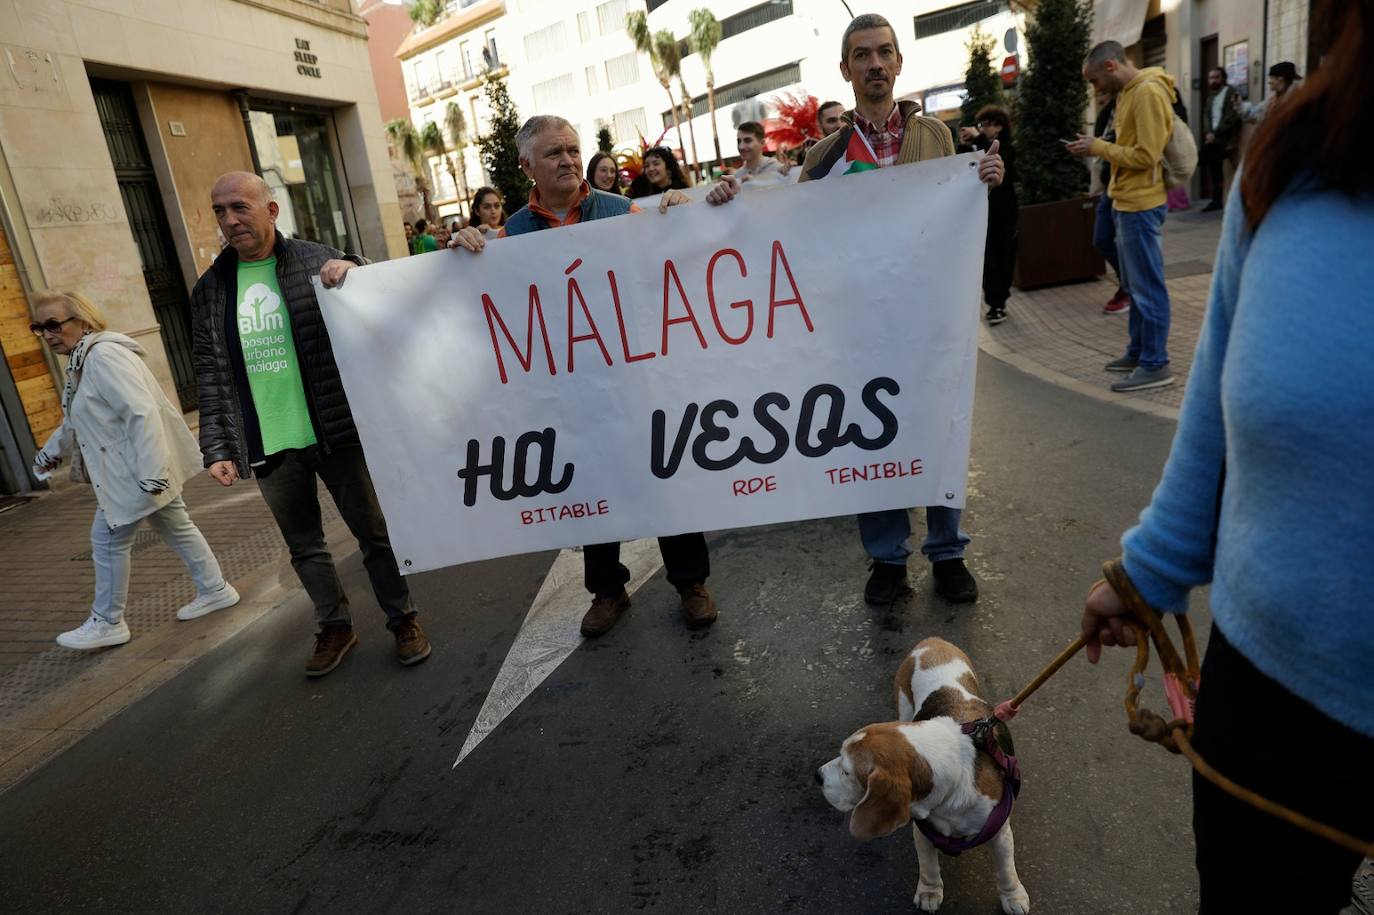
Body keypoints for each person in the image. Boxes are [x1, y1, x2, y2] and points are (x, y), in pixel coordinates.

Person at [1080, 2, 1373, 909]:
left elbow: (1147, 159)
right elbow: (1216, 406)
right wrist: (1147, 570)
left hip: (1134, 204)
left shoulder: (1145, 100)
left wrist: (1097, 156)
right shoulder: (1296, 161)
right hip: (1270, 694)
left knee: (1149, 302)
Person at [708, 13, 1005, 608]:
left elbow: (954, 219)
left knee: (940, 427)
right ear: (845, 71)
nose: (875, 64)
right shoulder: (823, 157)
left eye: (884, 53)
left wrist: (985, 184)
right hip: (859, 326)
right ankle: (887, 559)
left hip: (929, 320)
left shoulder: (937, 140)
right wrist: (724, 205)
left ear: (899, 63)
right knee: (871, 436)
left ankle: (948, 552)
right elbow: (790, 232)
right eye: (862, 55)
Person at [450, 117, 716, 638]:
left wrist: (680, 219)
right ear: (527, 166)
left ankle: (691, 582)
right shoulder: (508, 236)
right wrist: (460, 251)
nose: (569, 160)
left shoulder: (625, 211)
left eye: (573, 150)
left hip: (636, 380)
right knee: (592, 485)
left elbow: (672, 264)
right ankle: (607, 589)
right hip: (569, 392)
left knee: (664, 475)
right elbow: (481, 301)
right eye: (554, 153)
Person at [192, 171, 431, 677]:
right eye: (219, 210)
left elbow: (377, 293)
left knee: (374, 534)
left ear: (271, 210)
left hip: (334, 428)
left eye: (240, 207)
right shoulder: (211, 290)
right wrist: (217, 446)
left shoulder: (314, 260)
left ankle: (403, 619)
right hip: (268, 439)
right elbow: (210, 372)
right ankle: (335, 626)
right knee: (305, 547)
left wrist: (355, 266)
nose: (229, 219)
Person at [30, 291, 240, 650]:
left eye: (54, 324)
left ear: (82, 321)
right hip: (133, 470)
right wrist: (48, 454)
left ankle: (107, 621)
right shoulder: (81, 362)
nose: (47, 334)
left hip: (133, 473)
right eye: (39, 327)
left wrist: (153, 473)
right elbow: (74, 422)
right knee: (178, 528)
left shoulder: (103, 357)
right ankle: (215, 589)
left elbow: (141, 414)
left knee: (107, 542)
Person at [1068, 42, 1176, 393]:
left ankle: (1156, 364)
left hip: (1141, 205)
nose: (1096, 89)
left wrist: (1098, 147)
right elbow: (1129, 144)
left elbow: (1147, 155)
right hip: (1127, 202)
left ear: (1111, 66)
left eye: (1096, 81)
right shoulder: (1130, 92)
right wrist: (1099, 143)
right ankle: (1139, 352)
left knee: (1148, 288)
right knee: (1136, 287)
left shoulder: (1146, 92)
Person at [959, 105, 1018, 325]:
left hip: (1003, 213)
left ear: (999, 127)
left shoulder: (1008, 148)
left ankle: (998, 303)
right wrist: (966, 145)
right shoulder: (977, 146)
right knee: (987, 259)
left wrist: (979, 140)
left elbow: (1002, 165)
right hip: (980, 212)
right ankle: (994, 301)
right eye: (981, 125)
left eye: (987, 125)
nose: (983, 129)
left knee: (1003, 256)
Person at [1092, 87, 1130, 316]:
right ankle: (1127, 285)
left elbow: (1142, 152)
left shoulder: (1135, 103)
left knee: (1128, 245)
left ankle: (1129, 288)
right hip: (1110, 185)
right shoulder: (1106, 114)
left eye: (1100, 88)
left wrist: (1099, 145)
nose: (1099, 96)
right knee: (1102, 238)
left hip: (1131, 189)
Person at [1200, 67, 1242, 212]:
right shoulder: (1211, 97)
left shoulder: (1231, 93)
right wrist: (1208, 132)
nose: (1213, 80)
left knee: (1203, 160)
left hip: (1225, 139)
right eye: (1211, 78)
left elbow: (1232, 117)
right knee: (1214, 169)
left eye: (1216, 77)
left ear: (1223, 78)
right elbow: (1206, 116)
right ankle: (1216, 200)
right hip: (1212, 139)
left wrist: (1215, 133)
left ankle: (1219, 200)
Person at [732, 122, 789, 187]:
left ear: (762, 143)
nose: (741, 146)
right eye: (739, 141)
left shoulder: (778, 169)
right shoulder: (737, 176)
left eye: (747, 140)